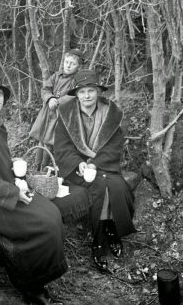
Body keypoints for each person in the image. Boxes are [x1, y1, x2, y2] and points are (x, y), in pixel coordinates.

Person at [0, 74, 67, 304]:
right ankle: (31, 285)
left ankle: (20, 265)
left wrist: (17, 177)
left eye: (0, 94)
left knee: (51, 212)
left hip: (1, 189)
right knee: (42, 225)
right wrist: (14, 193)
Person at [54, 70, 136, 273]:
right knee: (100, 187)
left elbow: (114, 145)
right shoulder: (66, 115)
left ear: (98, 92)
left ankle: (110, 229)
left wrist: (95, 163)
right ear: (76, 94)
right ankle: (99, 242)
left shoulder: (111, 115)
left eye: (91, 90)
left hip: (104, 165)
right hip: (78, 169)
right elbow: (62, 147)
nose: (87, 96)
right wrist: (79, 164)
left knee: (117, 187)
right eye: (82, 92)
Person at [29, 49, 84, 169]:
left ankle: (44, 168)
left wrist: (58, 102)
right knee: (41, 139)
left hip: (61, 115)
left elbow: (73, 95)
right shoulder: (56, 76)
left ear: (78, 67)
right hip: (48, 112)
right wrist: (49, 98)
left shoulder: (76, 80)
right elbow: (45, 89)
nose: (68, 65)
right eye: (66, 62)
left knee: (50, 142)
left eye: (72, 64)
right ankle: (35, 167)